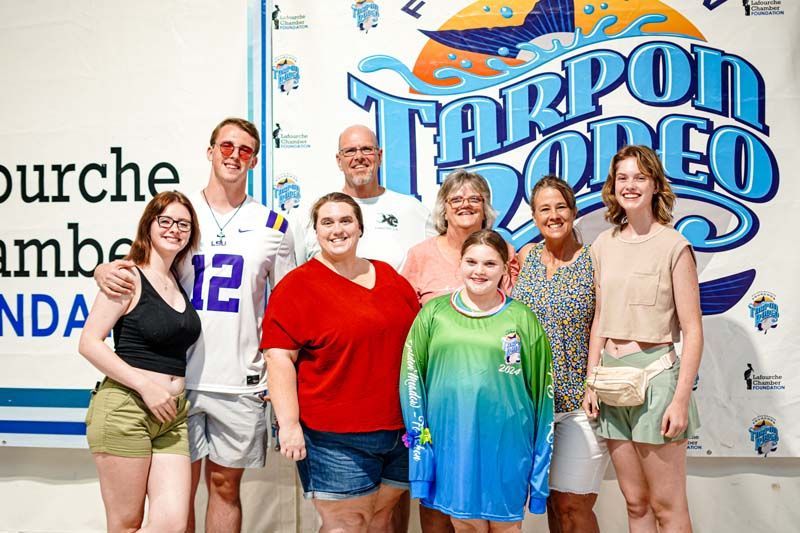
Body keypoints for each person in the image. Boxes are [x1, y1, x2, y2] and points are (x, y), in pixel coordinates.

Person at [94, 118, 296, 533]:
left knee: (225, 486)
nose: (233, 155)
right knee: (176, 496)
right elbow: (141, 264)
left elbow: (287, 309)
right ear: (209, 151)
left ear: (255, 160)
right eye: (226, 146)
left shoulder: (274, 225)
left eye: (244, 150)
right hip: (180, 378)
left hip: (239, 378)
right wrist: (103, 269)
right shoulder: (181, 214)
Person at [261, 192, 420, 532]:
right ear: (315, 232)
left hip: (398, 433)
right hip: (334, 438)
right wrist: (288, 424)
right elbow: (278, 358)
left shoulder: (390, 278)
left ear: (360, 228)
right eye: (327, 222)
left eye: (346, 220)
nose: (337, 229)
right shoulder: (297, 286)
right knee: (347, 524)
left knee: (379, 521)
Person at [401, 229, 554, 531]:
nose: (479, 271)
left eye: (489, 264)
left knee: (505, 527)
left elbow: (542, 396)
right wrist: (422, 443)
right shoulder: (434, 314)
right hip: (452, 445)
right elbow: (411, 380)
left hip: (508, 446)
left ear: (505, 269)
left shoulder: (522, 318)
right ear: (460, 264)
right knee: (466, 526)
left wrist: (539, 463)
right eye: (471, 262)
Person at [584, 145, 702, 532]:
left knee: (667, 506)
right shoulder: (603, 245)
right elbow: (601, 317)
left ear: (655, 185)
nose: (630, 185)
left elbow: (693, 330)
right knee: (635, 504)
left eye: (640, 177)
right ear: (612, 186)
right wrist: (591, 380)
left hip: (657, 380)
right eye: (622, 177)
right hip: (611, 382)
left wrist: (680, 399)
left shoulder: (674, 246)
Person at [79, 191, 201, 533]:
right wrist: (146, 387)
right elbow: (89, 343)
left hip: (172, 415)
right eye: (166, 221)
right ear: (148, 224)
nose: (175, 229)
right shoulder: (126, 276)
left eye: (184, 224)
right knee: (126, 524)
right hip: (125, 410)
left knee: (172, 525)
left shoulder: (179, 280)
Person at [512, 176, 610, 533]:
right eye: (544, 209)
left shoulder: (594, 260)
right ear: (534, 216)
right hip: (531, 404)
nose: (553, 215)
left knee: (573, 504)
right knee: (551, 501)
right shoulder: (524, 257)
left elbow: (604, 324)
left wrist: (594, 381)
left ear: (573, 211)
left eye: (560, 207)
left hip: (580, 404)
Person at [298, 124, 435, 270]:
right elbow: (297, 276)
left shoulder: (412, 210)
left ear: (380, 156)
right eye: (350, 151)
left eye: (366, 149)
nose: (359, 157)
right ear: (339, 161)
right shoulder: (315, 213)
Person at [402, 169, 519, 306]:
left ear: (485, 210)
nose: (465, 204)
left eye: (474, 199)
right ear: (444, 211)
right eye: (456, 200)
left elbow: (513, 307)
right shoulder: (420, 255)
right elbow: (405, 312)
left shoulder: (504, 251)